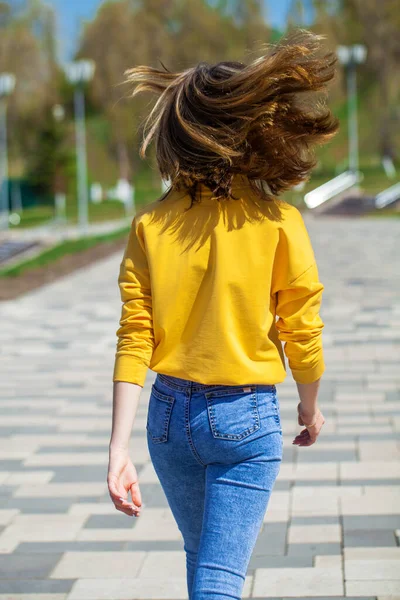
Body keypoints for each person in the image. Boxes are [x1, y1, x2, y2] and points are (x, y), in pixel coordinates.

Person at [107, 28, 337, 600]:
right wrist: (310, 407)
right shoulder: (279, 223)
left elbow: (135, 333)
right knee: (219, 576)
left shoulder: (150, 226)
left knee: (204, 558)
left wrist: (118, 447)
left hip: (166, 418)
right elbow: (301, 328)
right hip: (244, 419)